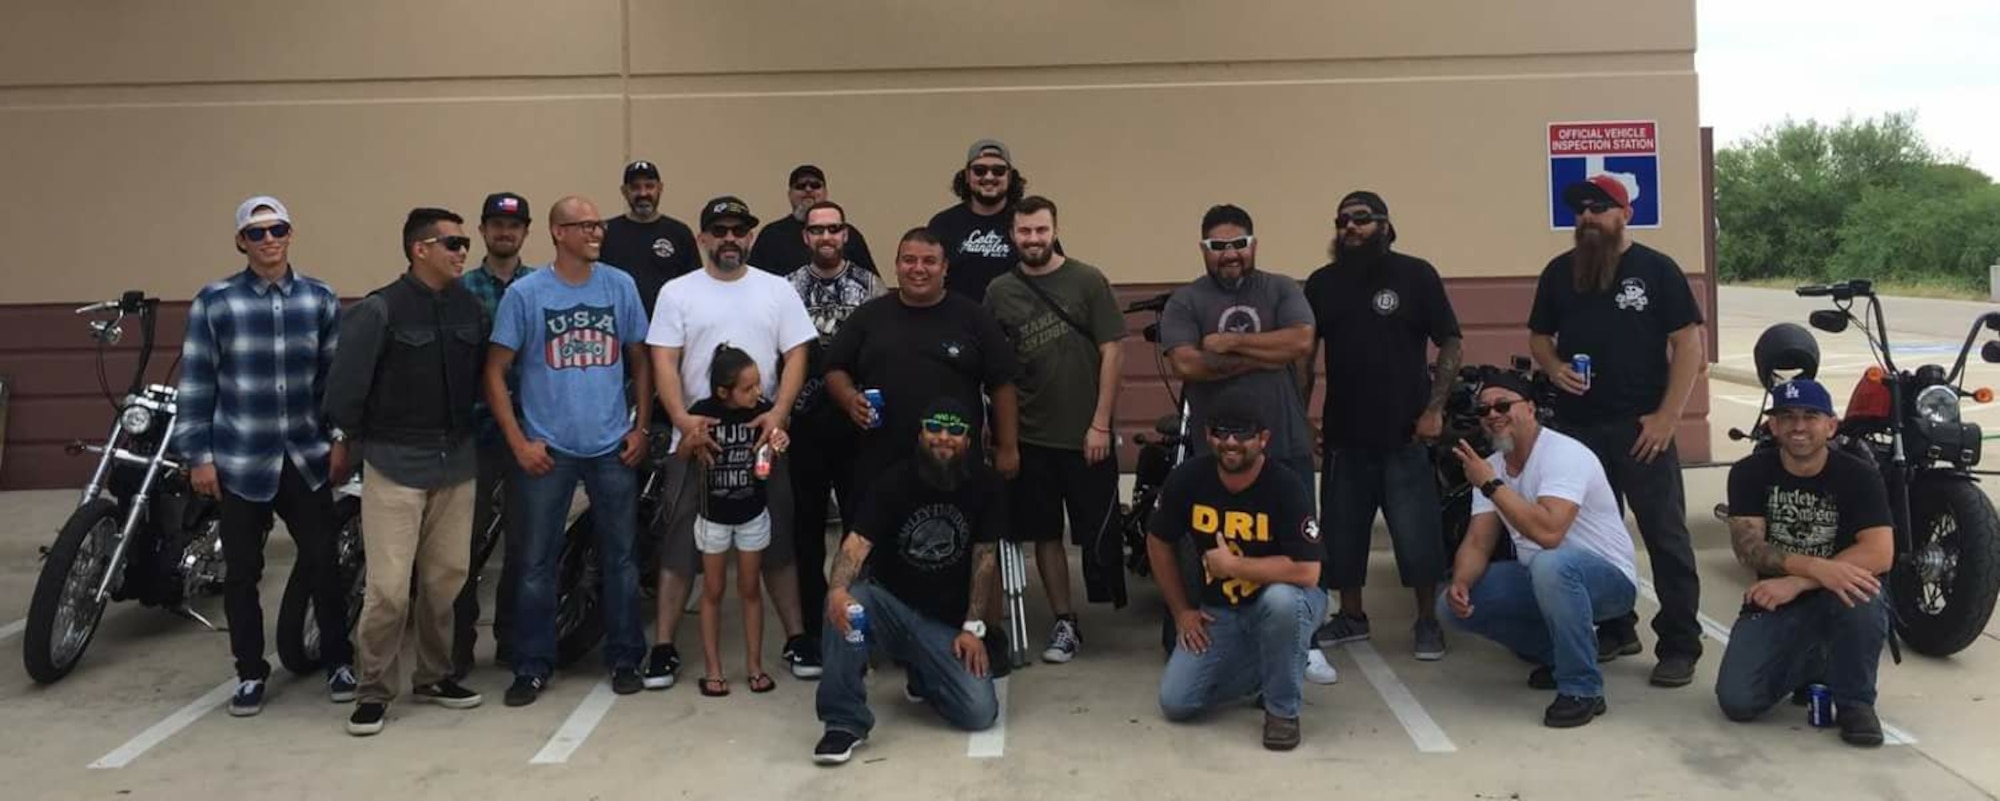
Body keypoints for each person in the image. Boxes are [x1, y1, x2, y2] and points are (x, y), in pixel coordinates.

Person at [176, 195, 355, 717]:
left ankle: (339, 661)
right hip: (240, 458)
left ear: (290, 234)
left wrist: (340, 438)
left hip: (305, 456)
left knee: (324, 563)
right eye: (257, 233)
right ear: (240, 242)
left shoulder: (319, 299)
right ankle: (251, 673)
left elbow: (334, 379)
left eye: (277, 229)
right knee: (241, 573)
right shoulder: (215, 302)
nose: (269, 240)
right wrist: (199, 457)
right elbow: (197, 383)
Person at [1528, 174, 1708, 688]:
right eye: (1580, 210)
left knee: (1665, 537)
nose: (1587, 217)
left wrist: (1668, 416)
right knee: (1590, 540)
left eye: (1599, 208)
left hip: (1641, 429)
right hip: (1577, 433)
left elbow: (1688, 345)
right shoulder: (1561, 273)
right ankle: (1614, 629)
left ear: (1624, 213)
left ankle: (1679, 643)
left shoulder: (1656, 270)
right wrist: (1553, 365)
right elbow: (1540, 336)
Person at [323, 208, 488, 735]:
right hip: (395, 465)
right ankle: (373, 689)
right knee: (390, 589)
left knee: (446, 580)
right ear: (420, 249)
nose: (464, 251)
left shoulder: (470, 306)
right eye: (453, 243)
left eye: (464, 243)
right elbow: (344, 392)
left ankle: (434, 675)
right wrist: (346, 443)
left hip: (457, 464)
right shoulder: (379, 310)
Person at [485, 195, 654, 706]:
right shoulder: (527, 294)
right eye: (584, 226)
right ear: (558, 233)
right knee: (536, 562)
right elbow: (494, 371)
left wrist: (641, 427)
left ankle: (625, 657)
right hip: (548, 449)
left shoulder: (619, 285)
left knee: (621, 560)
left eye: (599, 225)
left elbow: (640, 360)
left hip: (610, 446)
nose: (596, 233)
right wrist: (518, 441)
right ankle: (532, 664)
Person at [645, 196, 819, 690]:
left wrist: (778, 413)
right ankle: (662, 645)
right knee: (681, 545)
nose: (728, 238)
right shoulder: (677, 292)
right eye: (718, 230)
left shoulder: (776, 290)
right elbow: (663, 361)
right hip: (698, 442)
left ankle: (797, 637)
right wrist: (683, 421)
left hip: (762, 439)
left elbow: (797, 355)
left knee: (776, 540)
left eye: (737, 230)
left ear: (749, 236)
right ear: (702, 238)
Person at [1160, 204, 1332, 684]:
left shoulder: (1280, 289)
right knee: (1211, 546)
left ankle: (1306, 643)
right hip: (1216, 451)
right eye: (1219, 246)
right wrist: (1264, 355)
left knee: (1297, 544)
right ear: (1204, 250)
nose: (1231, 254)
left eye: (1239, 243)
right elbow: (1188, 365)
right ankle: (1210, 633)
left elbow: (1299, 342)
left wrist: (1230, 345)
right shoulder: (1185, 302)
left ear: (1253, 244)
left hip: (1285, 441)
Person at [1302, 191, 1462, 661]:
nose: (1350, 228)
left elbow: (1450, 340)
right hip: (1344, 435)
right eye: (1342, 221)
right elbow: (1304, 358)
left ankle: (1428, 621)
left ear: (1386, 226)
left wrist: (1435, 409)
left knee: (1418, 536)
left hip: (1406, 433)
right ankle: (1351, 616)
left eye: (1361, 219)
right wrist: (1300, 416)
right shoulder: (1322, 284)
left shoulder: (1417, 275)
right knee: (1342, 535)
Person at [812, 399, 1003, 766]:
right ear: (921, 434)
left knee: (980, 712)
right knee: (846, 603)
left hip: (943, 625)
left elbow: (985, 561)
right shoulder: (893, 481)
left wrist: (973, 628)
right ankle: (843, 723)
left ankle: (924, 673)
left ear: (970, 440)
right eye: (934, 428)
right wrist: (836, 591)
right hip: (888, 607)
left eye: (954, 430)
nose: (943, 438)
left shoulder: (987, 485)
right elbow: (855, 545)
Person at [1441, 374, 1639, 728]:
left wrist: (1490, 484)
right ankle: (1562, 657)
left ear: (1530, 409)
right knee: (1451, 609)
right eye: (1484, 409)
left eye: (1504, 405)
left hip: (1607, 580)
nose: (1493, 414)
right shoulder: (1493, 467)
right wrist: (1461, 582)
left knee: (1551, 564)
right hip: (1543, 578)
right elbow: (1477, 541)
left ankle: (1583, 688)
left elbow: (1549, 532)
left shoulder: (1563, 454)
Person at [983, 195, 1126, 662]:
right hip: (1030, 435)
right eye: (1024, 232)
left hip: (1087, 434)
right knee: (1044, 532)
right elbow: (995, 365)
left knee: (1098, 531)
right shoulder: (999, 290)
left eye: (1041, 230)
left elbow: (1113, 352)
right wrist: (1000, 432)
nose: (1033, 239)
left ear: (1055, 229)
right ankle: (1066, 620)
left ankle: (1105, 598)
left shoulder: (1088, 280)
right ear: (1012, 235)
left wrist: (1100, 424)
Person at [1716, 379, 1891, 747]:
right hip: (1775, 600)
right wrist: (1816, 568)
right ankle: (1816, 662)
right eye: (1787, 416)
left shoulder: (1860, 475)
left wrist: (1800, 580)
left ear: (1831, 425)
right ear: (1773, 426)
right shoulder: (1749, 472)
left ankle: (1855, 703)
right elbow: (1748, 549)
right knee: (1738, 701)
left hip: (1832, 593)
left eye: (1810, 416)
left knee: (1862, 593)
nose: (1798, 426)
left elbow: (1879, 552)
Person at [1149, 390, 1326, 751]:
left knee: (1281, 601)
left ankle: (1282, 712)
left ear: (1264, 439)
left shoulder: (1286, 485)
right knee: (1176, 702)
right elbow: (1157, 540)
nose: (1231, 442)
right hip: (1219, 612)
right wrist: (1181, 610)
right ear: (1208, 435)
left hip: (1284, 602)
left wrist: (1235, 566)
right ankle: (1274, 664)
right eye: (1221, 432)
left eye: (1243, 433)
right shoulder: (1188, 478)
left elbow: (1309, 572)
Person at [823, 228, 1021, 487]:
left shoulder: (974, 318)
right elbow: (835, 367)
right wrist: (849, 399)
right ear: (896, 266)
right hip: (881, 460)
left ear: (945, 267)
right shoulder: (868, 316)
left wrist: (1007, 447)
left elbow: (1002, 384)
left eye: (929, 261)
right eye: (909, 260)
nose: (918, 268)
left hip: (953, 461)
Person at [783, 200, 884, 657]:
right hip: (803, 426)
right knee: (804, 529)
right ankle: (808, 630)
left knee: (861, 524)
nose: (826, 237)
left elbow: (885, 349)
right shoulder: (786, 288)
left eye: (834, 229)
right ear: (805, 237)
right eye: (816, 230)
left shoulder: (870, 285)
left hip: (856, 425)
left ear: (846, 234)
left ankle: (859, 619)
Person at [454, 191, 536, 677]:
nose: (505, 233)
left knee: (525, 547)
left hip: (530, 435)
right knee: (463, 548)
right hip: (475, 434)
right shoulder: (460, 289)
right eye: (496, 225)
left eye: (514, 225)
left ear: (526, 232)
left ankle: (511, 640)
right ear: (483, 231)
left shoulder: (541, 287)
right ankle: (460, 646)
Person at [686, 344, 792, 697]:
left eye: (758, 385)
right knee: (713, 590)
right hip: (713, 516)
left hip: (752, 514)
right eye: (748, 388)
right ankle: (713, 670)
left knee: (750, 589)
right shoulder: (702, 413)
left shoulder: (763, 412)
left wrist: (780, 440)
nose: (757, 393)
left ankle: (754, 665)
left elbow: (779, 442)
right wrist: (693, 440)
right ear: (722, 391)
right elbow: (682, 450)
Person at [927, 139, 1050, 302]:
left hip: (1015, 322)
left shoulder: (1029, 222)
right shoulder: (943, 223)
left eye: (998, 171)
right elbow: (928, 275)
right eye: (980, 170)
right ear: (967, 175)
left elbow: (1053, 274)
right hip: (959, 323)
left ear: (1010, 176)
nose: (989, 177)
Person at [601, 159, 701, 315]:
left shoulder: (679, 233)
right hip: (617, 325)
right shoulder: (605, 232)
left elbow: (694, 286)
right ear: (624, 191)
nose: (643, 193)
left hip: (668, 327)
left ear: (660, 188)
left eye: (649, 186)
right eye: (635, 187)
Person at [748, 164, 876, 276]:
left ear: (825, 192)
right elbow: (756, 282)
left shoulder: (845, 233)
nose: (808, 190)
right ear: (790, 194)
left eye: (815, 185)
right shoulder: (771, 235)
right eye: (800, 186)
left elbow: (871, 283)